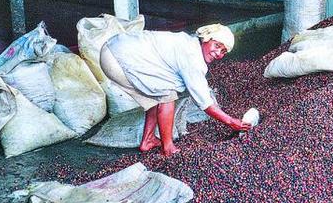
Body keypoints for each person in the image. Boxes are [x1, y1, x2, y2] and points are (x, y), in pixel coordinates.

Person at [100, 23, 252, 156]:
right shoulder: (192, 56)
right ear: (206, 39)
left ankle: (148, 140)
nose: (218, 53)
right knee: (167, 94)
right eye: (217, 45)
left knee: (157, 94)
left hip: (113, 48)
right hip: (117, 56)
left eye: (223, 51)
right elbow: (205, 103)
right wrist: (231, 121)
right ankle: (168, 147)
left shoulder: (188, 43)